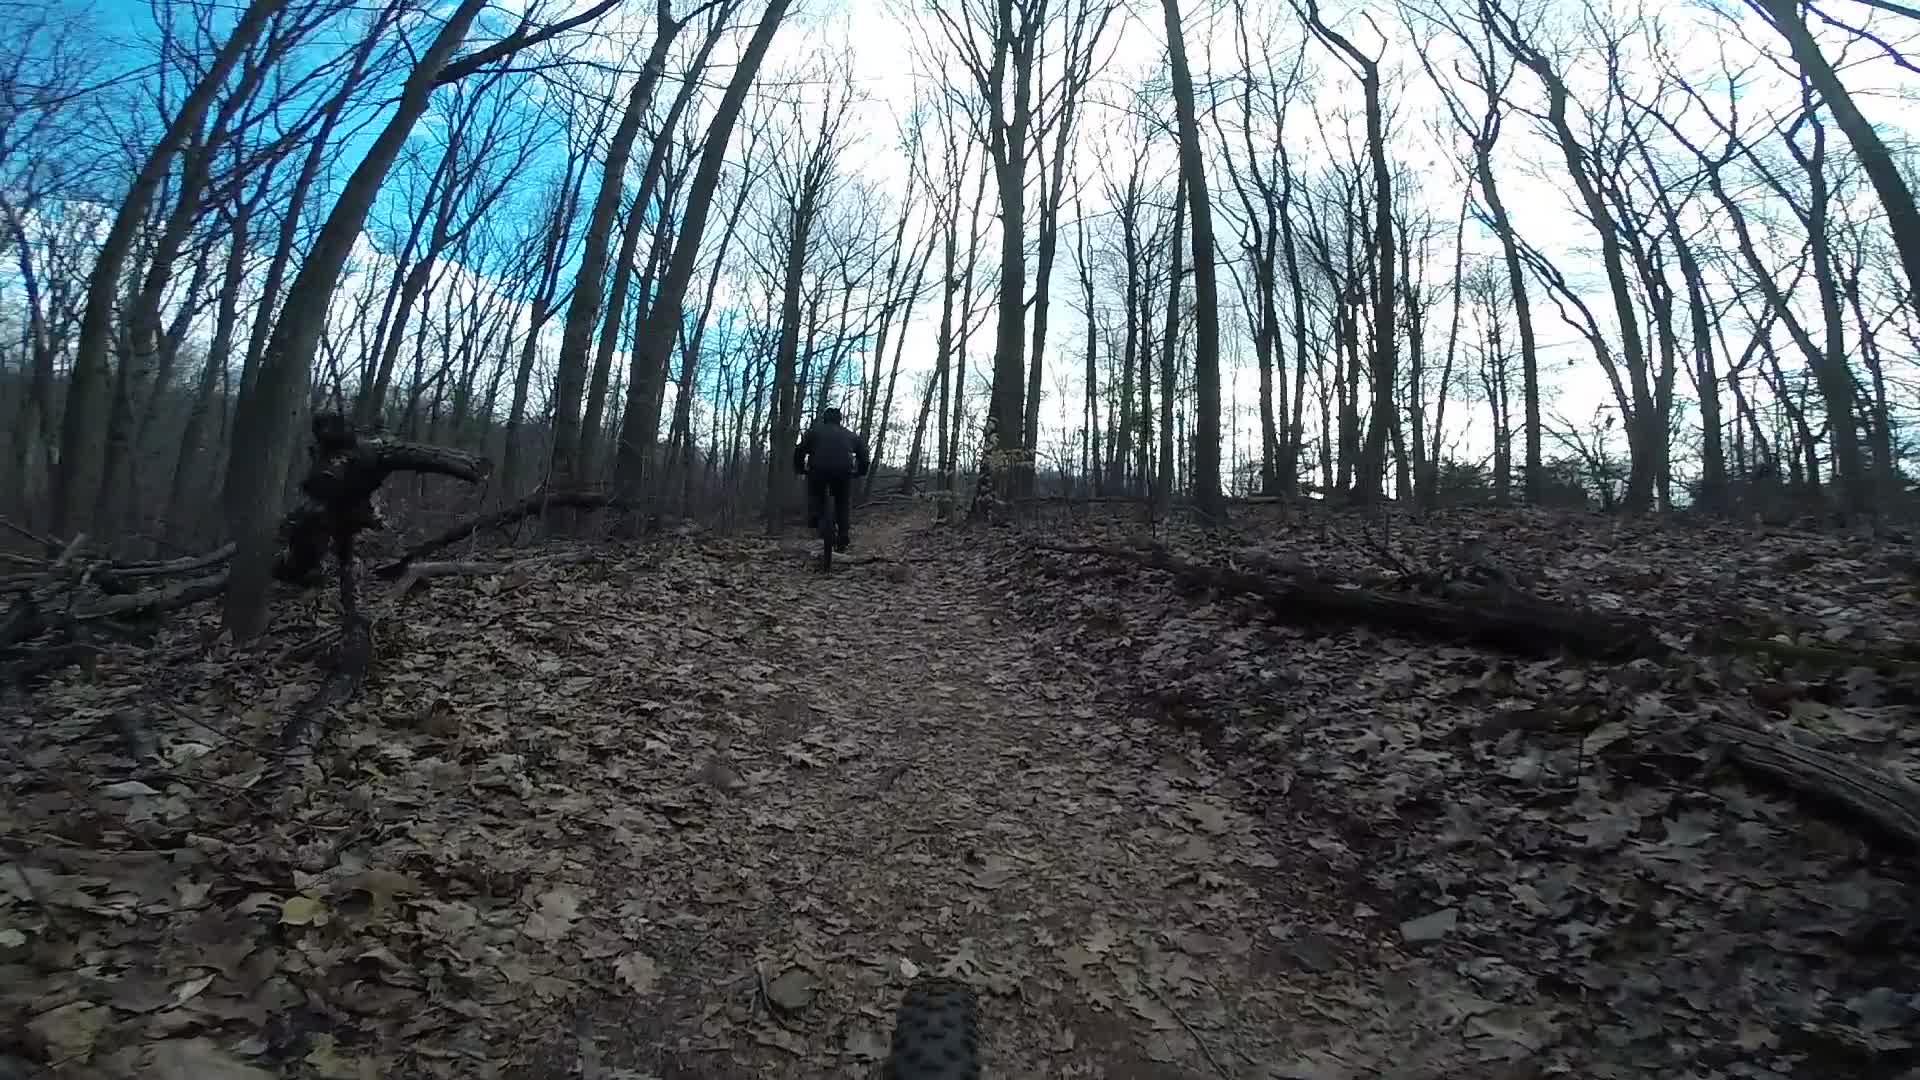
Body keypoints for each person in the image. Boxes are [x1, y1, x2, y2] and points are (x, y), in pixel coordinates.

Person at [794, 407, 869, 552]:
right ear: (840, 420)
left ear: (824, 419)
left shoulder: (813, 432)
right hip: (843, 471)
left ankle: (815, 517)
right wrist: (860, 472)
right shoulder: (850, 435)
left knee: (815, 493)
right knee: (842, 501)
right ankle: (843, 534)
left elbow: (799, 451)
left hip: (818, 470)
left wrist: (800, 469)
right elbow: (864, 455)